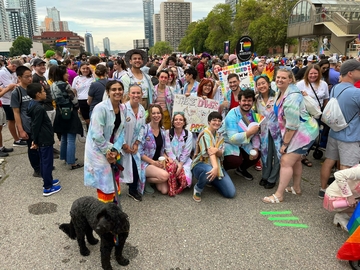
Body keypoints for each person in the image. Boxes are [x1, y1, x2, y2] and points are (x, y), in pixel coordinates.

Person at [262, 69, 319, 203]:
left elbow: (292, 125)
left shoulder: (291, 98)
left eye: (283, 78)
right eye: (278, 77)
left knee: (286, 161)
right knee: (297, 160)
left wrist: (285, 144)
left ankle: (279, 195)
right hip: (301, 131)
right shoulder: (281, 91)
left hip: (304, 133)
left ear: (290, 80)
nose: (279, 80)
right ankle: (296, 188)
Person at [319, 60, 360, 198]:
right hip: (350, 135)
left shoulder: (335, 88)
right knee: (346, 167)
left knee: (329, 161)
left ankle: (323, 189)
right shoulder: (356, 93)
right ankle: (344, 197)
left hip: (334, 132)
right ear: (350, 73)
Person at [84, 81, 126, 203]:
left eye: (120, 89)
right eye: (114, 89)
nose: (117, 92)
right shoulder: (100, 108)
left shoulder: (123, 108)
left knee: (114, 175)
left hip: (113, 146)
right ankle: (105, 212)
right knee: (105, 180)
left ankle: (114, 206)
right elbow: (96, 135)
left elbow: (121, 131)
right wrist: (108, 151)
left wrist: (115, 150)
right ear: (108, 92)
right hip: (98, 148)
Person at [192, 111, 236, 202]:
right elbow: (210, 152)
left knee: (230, 193)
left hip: (218, 165)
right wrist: (215, 167)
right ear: (209, 122)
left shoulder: (220, 136)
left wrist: (217, 150)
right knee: (208, 169)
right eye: (214, 120)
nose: (217, 122)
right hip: (201, 164)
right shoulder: (204, 134)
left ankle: (211, 180)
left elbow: (220, 153)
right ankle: (198, 188)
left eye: (219, 121)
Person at [27, 83, 61, 197]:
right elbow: (35, 125)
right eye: (43, 91)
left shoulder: (33, 104)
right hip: (44, 138)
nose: (45, 92)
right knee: (47, 162)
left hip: (42, 137)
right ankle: (47, 187)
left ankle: (48, 180)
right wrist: (35, 140)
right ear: (37, 94)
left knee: (44, 161)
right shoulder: (39, 108)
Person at [221, 89, 261, 181]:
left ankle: (241, 169)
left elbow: (256, 135)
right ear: (239, 101)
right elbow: (232, 138)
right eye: (244, 100)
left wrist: (255, 149)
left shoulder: (252, 114)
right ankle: (220, 169)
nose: (246, 103)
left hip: (243, 142)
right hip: (228, 142)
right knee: (235, 160)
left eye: (249, 101)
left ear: (253, 102)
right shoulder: (232, 115)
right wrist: (250, 132)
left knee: (257, 153)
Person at [51, 65, 83, 170]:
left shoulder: (53, 85)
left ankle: (65, 157)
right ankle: (72, 162)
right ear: (61, 74)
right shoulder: (66, 85)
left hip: (60, 111)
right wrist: (77, 106)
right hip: (69, 111)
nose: (68, 75)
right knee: (71, 138)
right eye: (66, 73)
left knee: (64, 136)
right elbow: (73, 100)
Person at [296, 64, 329, 167]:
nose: (313, 75)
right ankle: (301, 156)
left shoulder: (323, 84)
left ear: (319, 74)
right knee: (304, 135)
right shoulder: (300, 84)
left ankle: (303, 154)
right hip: (304, 114)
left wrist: (327, 113)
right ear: (307, 74)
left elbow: (325, 100)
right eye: (311, 73)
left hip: (317, 114)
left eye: (315, 73)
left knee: (314, 136)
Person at [11, 66, 40, 177]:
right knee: (32, 147)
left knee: (42, 146)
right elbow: (16, 112)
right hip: (28, 125)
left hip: (39, 124)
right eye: (26, 77)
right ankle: (36, 169)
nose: (30, 79)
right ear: (19, 77)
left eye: (31, 76)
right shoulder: (17, 92)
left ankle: (43, 165)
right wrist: (21, 130)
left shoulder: (34, 89)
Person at [255, 75, 282, 189]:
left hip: (277, 130)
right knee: (265, 153)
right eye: (259, 84)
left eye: (263, 83)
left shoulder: (277, 96)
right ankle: (265, 175)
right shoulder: (256, 99)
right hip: (264, 131)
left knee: (277, 155)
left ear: (269, 84)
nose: (261, 86)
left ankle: (272, 178)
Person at [121, 84, 146, 201]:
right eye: (133, 93)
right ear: (129, 94)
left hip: (135, 145)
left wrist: (136, 143)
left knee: (135, 167)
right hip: (122, 145)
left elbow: (142, 127)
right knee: (119, 169)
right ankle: (112, 191)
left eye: (138, 93)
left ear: (142, 94)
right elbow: (118, 129)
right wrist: (124, 144)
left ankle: (132, 190)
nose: (136, 95)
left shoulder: (142, 109)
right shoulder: (123, 109)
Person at [139, 104, 171, 195]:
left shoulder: (163, 130)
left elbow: (163, 149)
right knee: (165, 176)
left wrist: (166, 157)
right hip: (146, 163)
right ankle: (144, 181)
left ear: (161, 114)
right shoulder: (144, 129)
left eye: (158, 113)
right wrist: (153, 162)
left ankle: (152, 179)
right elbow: (139, 152)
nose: (156, 115)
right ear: (150, 115)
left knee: (164, 190)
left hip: (158, 162)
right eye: (153, 113)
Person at [323, 164, 360, 231]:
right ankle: (342, 216)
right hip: (335, 197)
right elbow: (339, 174)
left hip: (349, 196)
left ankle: (347, 214)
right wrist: (349, 196)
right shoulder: (358, 171)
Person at [0, 59, 27, 147]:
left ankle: (20, 137)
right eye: (15, 68)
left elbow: (17, 83)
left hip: (15, 97)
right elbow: (11, 86)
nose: (15, 71)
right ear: (11, 65)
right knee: (11, 120)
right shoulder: (3, 73)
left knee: (18, 118)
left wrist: (17, 83)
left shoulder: (13, 72)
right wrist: (18, 83)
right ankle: (16, 140)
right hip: (7, 100)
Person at [166, 112, 193, 194]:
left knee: (184, 181)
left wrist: (180, 164)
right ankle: (172, 185)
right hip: (172, 160)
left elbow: (187, 151)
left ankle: (177, 179)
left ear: (184, 122)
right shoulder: (168, 133)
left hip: (184, 161)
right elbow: (168, 150)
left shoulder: (188, 134)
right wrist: (177, 163)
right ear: (173, 122)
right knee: (172, 169)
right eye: (176, 119)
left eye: (181, 120)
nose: (178, 121)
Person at [72, 63, 93, 128]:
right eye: (83, 68)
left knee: (92, 118)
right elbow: (74, 90)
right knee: (86, 120)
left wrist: (92, 69)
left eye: (87, 68)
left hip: (90, 100)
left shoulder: (92, 78)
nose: (85, 70)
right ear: (80, 69)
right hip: (81, 101)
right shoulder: (76, 78)